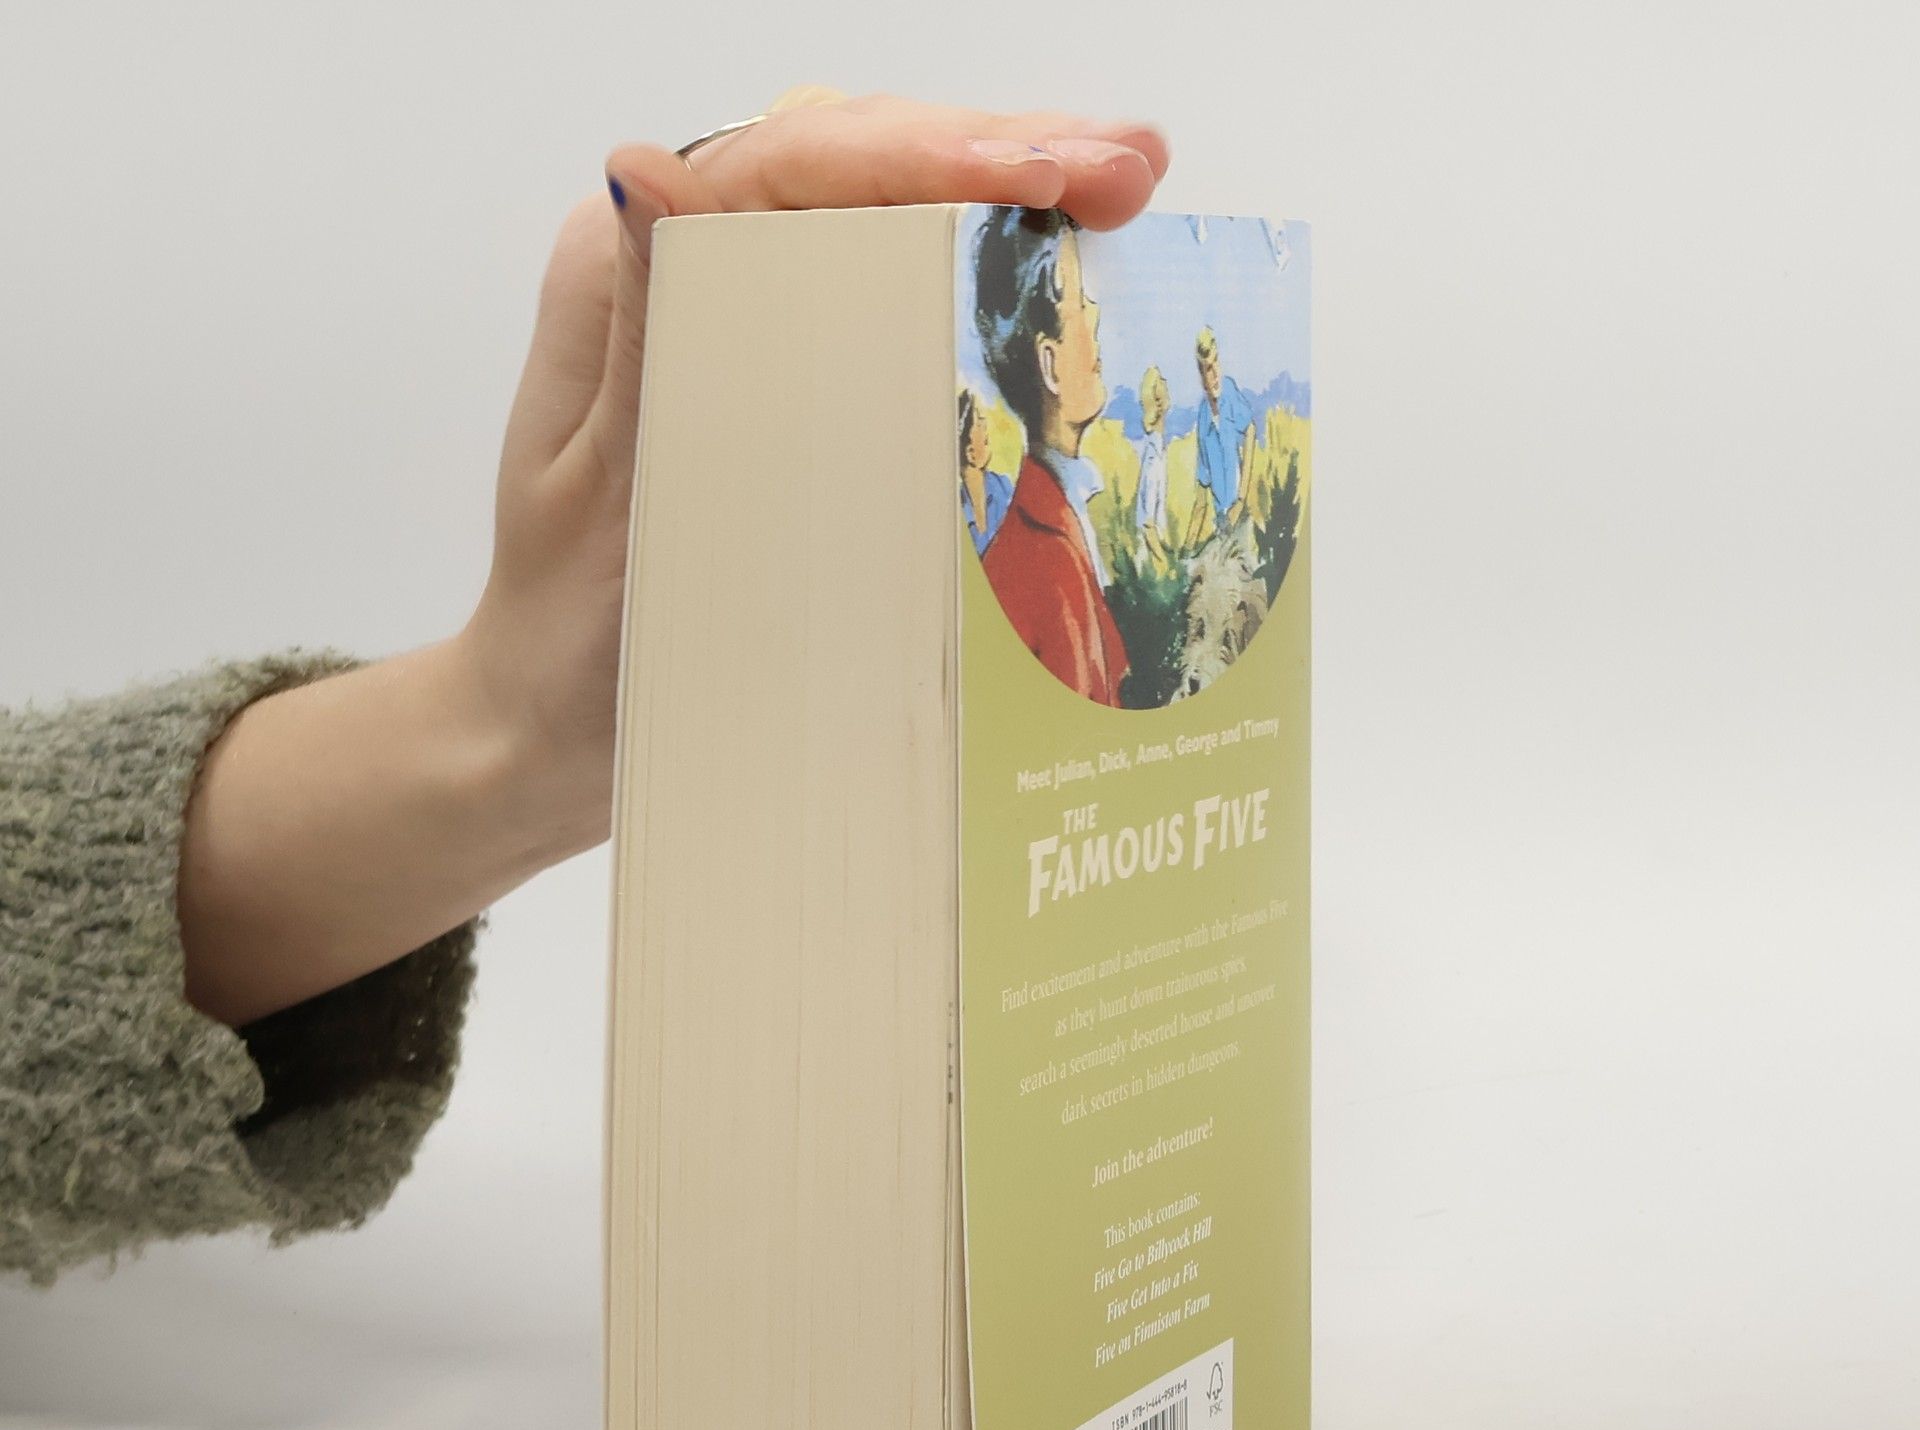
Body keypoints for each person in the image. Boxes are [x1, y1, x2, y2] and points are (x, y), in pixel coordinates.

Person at [0, 91, 1168, 1287]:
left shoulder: (1060, 539)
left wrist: (513, 732)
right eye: (1081, 316)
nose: (1101, 336)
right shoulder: (1038, 552)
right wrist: (510, 735)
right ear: (1039, 358)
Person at [971, 207, 1131, 706]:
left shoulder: (1056, 519)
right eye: (1080, 301)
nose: (1095, 313)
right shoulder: (1046, 560)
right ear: (1050, 363)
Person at [1183, 325, 1260, 549]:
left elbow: (1250, 429)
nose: (1215, 373)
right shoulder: (1203, 417)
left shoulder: (1229, 391)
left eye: (1216, 361)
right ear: (1201, 377)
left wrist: (1241, 500)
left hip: (1241, 518)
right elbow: (1202, 490)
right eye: (1208, 368)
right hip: (1221, 524)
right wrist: (1186, 550)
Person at [958, 389, 1014, 554]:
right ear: (971, 453)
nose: (985, 425)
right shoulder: (959, 512)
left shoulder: (1004, 488)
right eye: (978, 422)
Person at [1133, 364, 1172, 570]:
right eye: (1162, 381)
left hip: (1155, 556)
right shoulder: (1153, 458)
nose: (1166, 382)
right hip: (1150, 565)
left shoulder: (1159, 452)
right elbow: (1149, 526)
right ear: (1158, 402)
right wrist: (1167, 565)